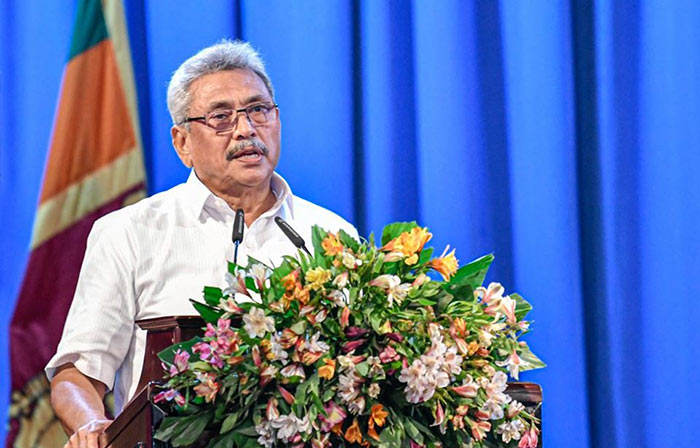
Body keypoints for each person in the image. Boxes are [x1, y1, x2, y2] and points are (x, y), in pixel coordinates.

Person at [46, 40, 357, 448]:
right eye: (221, 117)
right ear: (182, 143)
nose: (246, 129)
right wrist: (90, 424)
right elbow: (77, 373)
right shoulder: (129, 232)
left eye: (258, 110)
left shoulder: (332, 235)